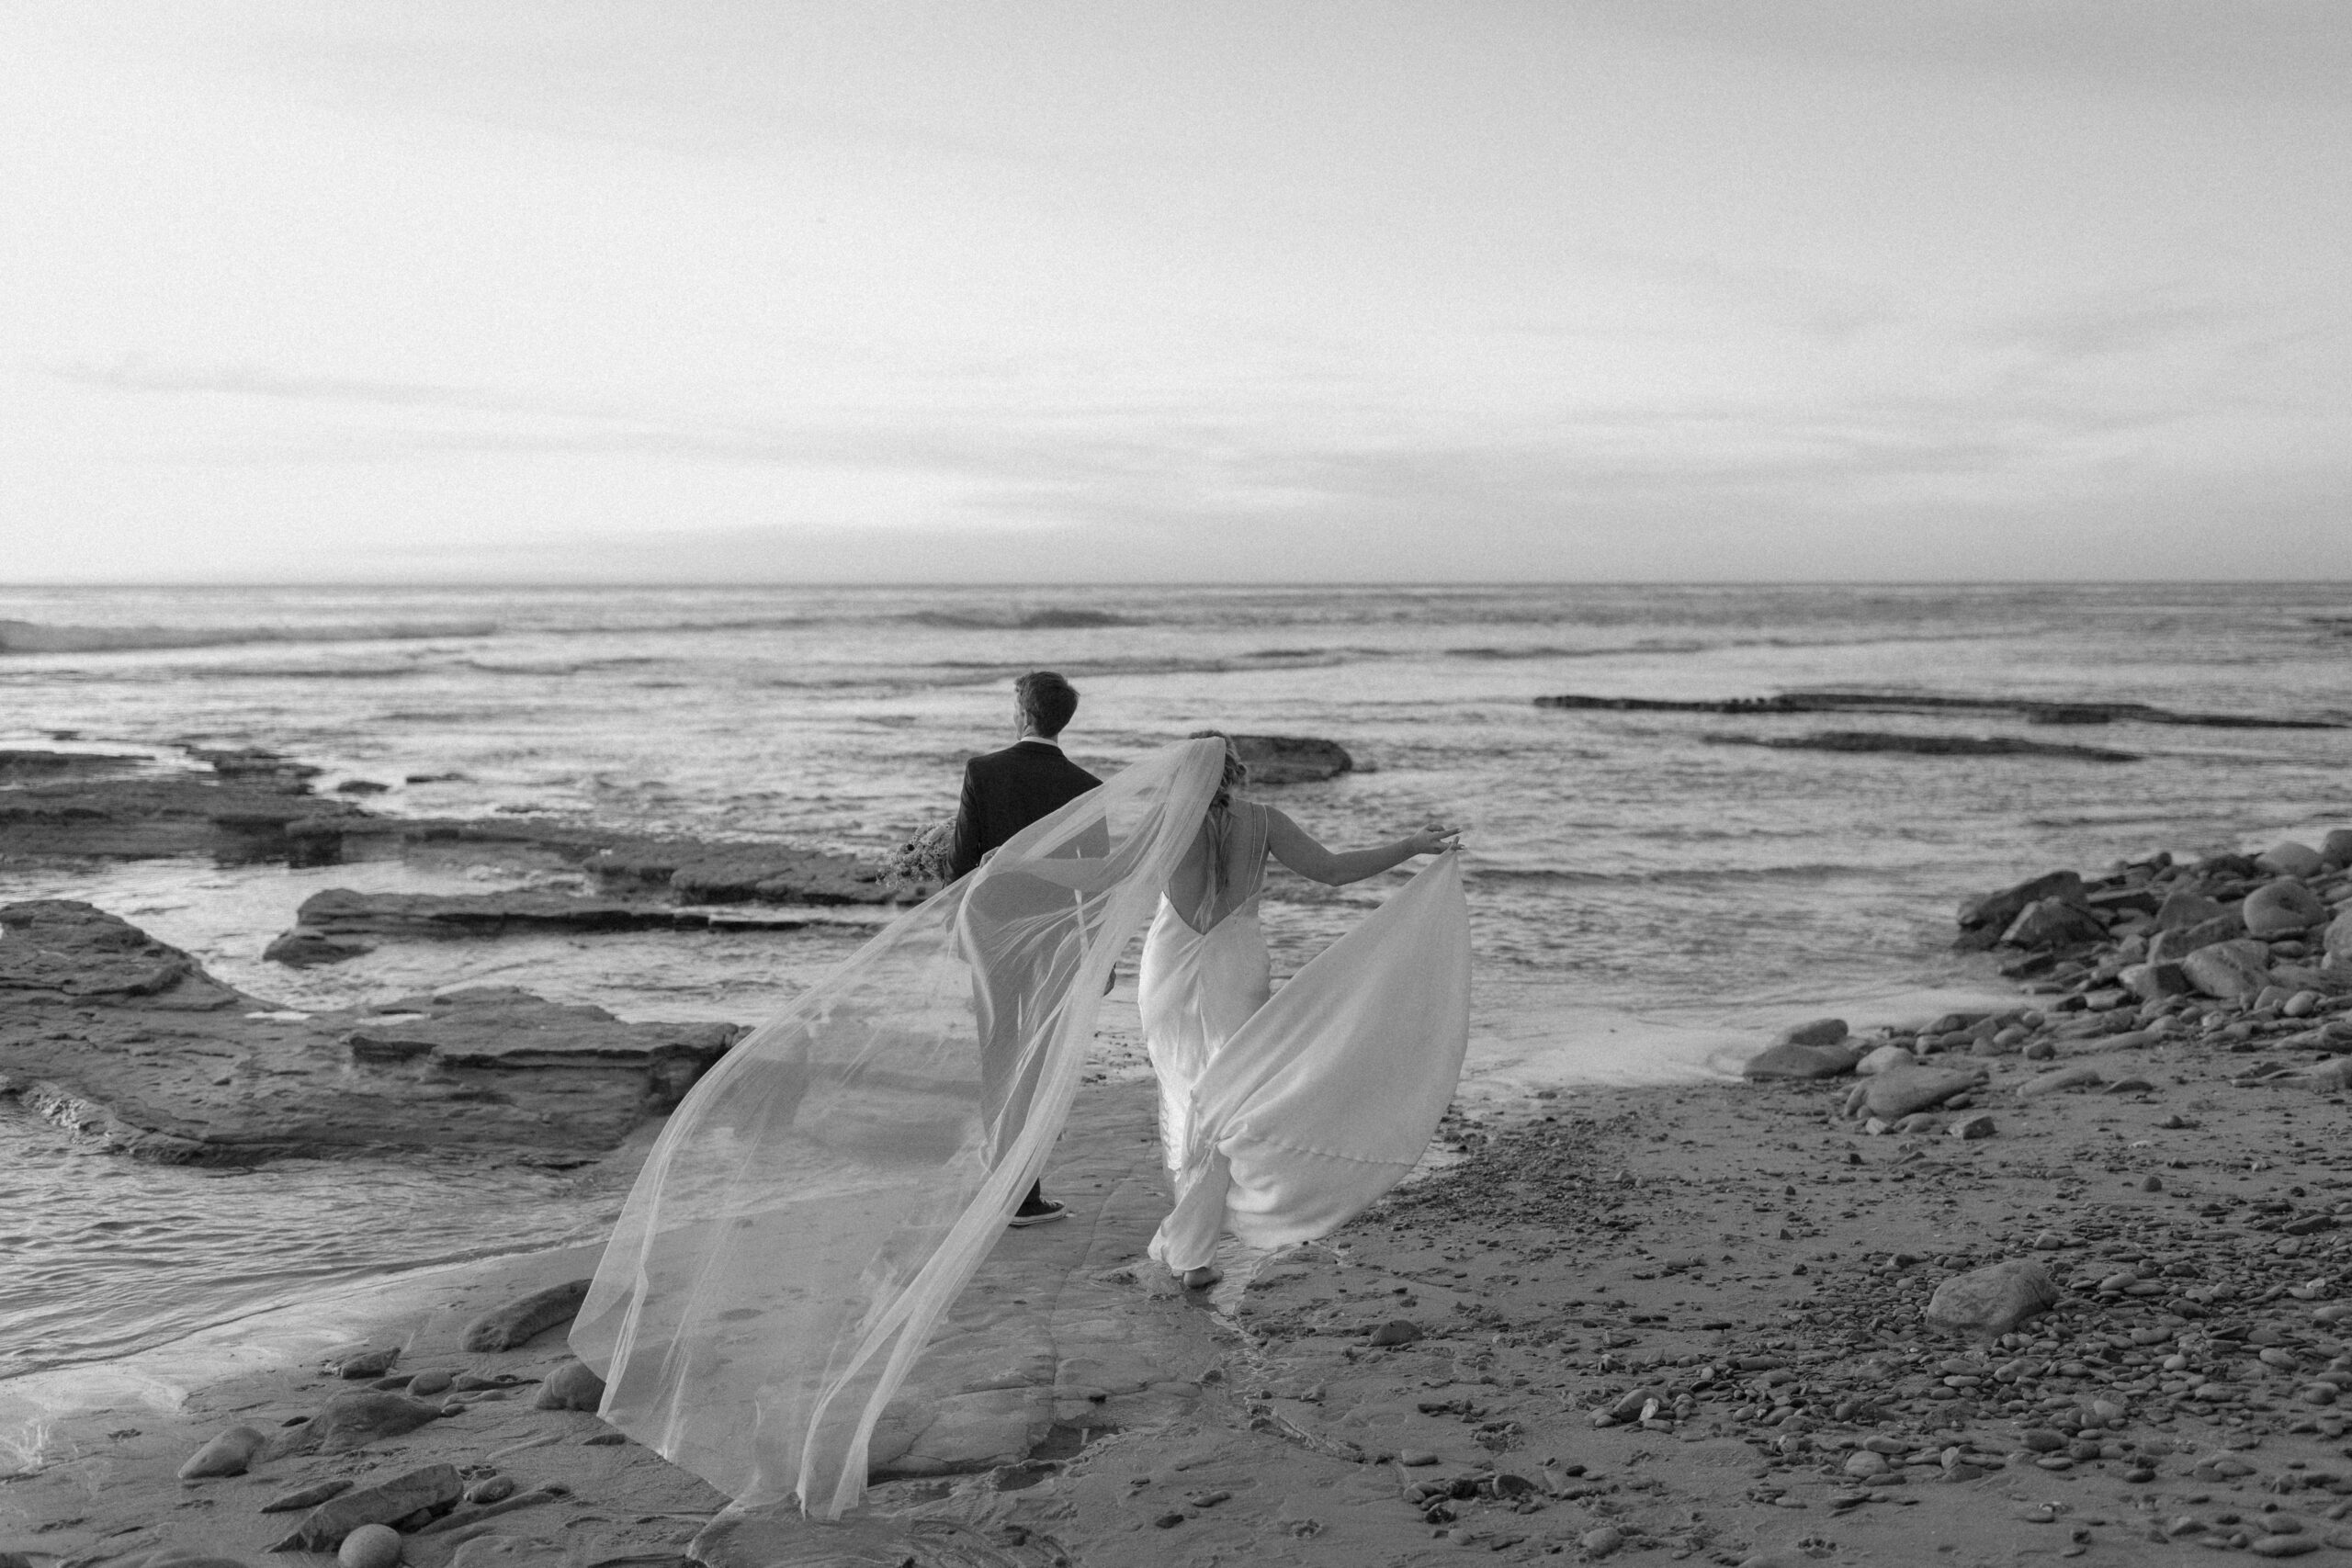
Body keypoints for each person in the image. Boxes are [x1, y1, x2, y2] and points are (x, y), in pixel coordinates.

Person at [1141, 731, 1459, 1288]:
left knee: (1181, 1090)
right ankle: (1200, 1242)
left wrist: (1013, 864)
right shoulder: (1264, 820)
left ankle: (1193, 1249)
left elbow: (1102, 881)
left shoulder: (1163, 823)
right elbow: (1333, 871)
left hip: (1167, 971)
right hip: (1235, 969)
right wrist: (1411, 844)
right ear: (1236, 771)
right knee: (1231, 1095)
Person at [947, 671, 1102, 1225]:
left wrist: (939, 854)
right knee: (1039, 1053)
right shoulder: (1086, 785)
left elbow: (964, 867)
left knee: (997, 1046)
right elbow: (1097, 879)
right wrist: (1099, 950)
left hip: (992, 931)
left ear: (1022, 711)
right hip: (1057, 933)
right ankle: (1025, 1193)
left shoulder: (983, 771)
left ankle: (1000, 1185)